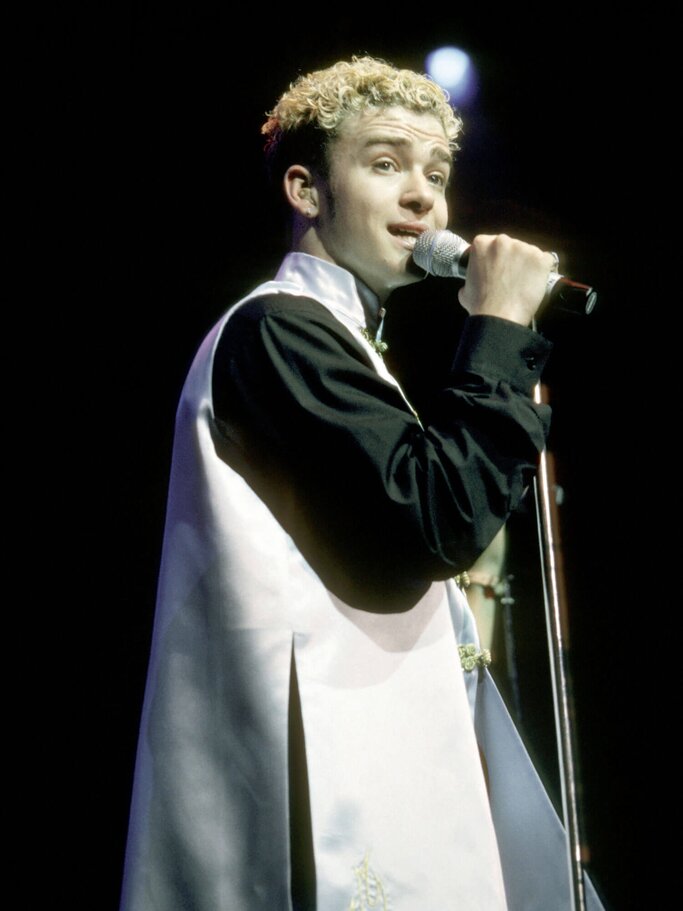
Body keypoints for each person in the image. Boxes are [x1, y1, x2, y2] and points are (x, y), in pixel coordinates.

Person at [120, 56, 604, 910]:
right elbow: (433, 517)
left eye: (437, 174)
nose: (422, 196)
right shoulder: (273, 329)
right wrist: (497, 328)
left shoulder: (342, 343)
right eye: (384, 164)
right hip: (321, 793)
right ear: (306, 190)